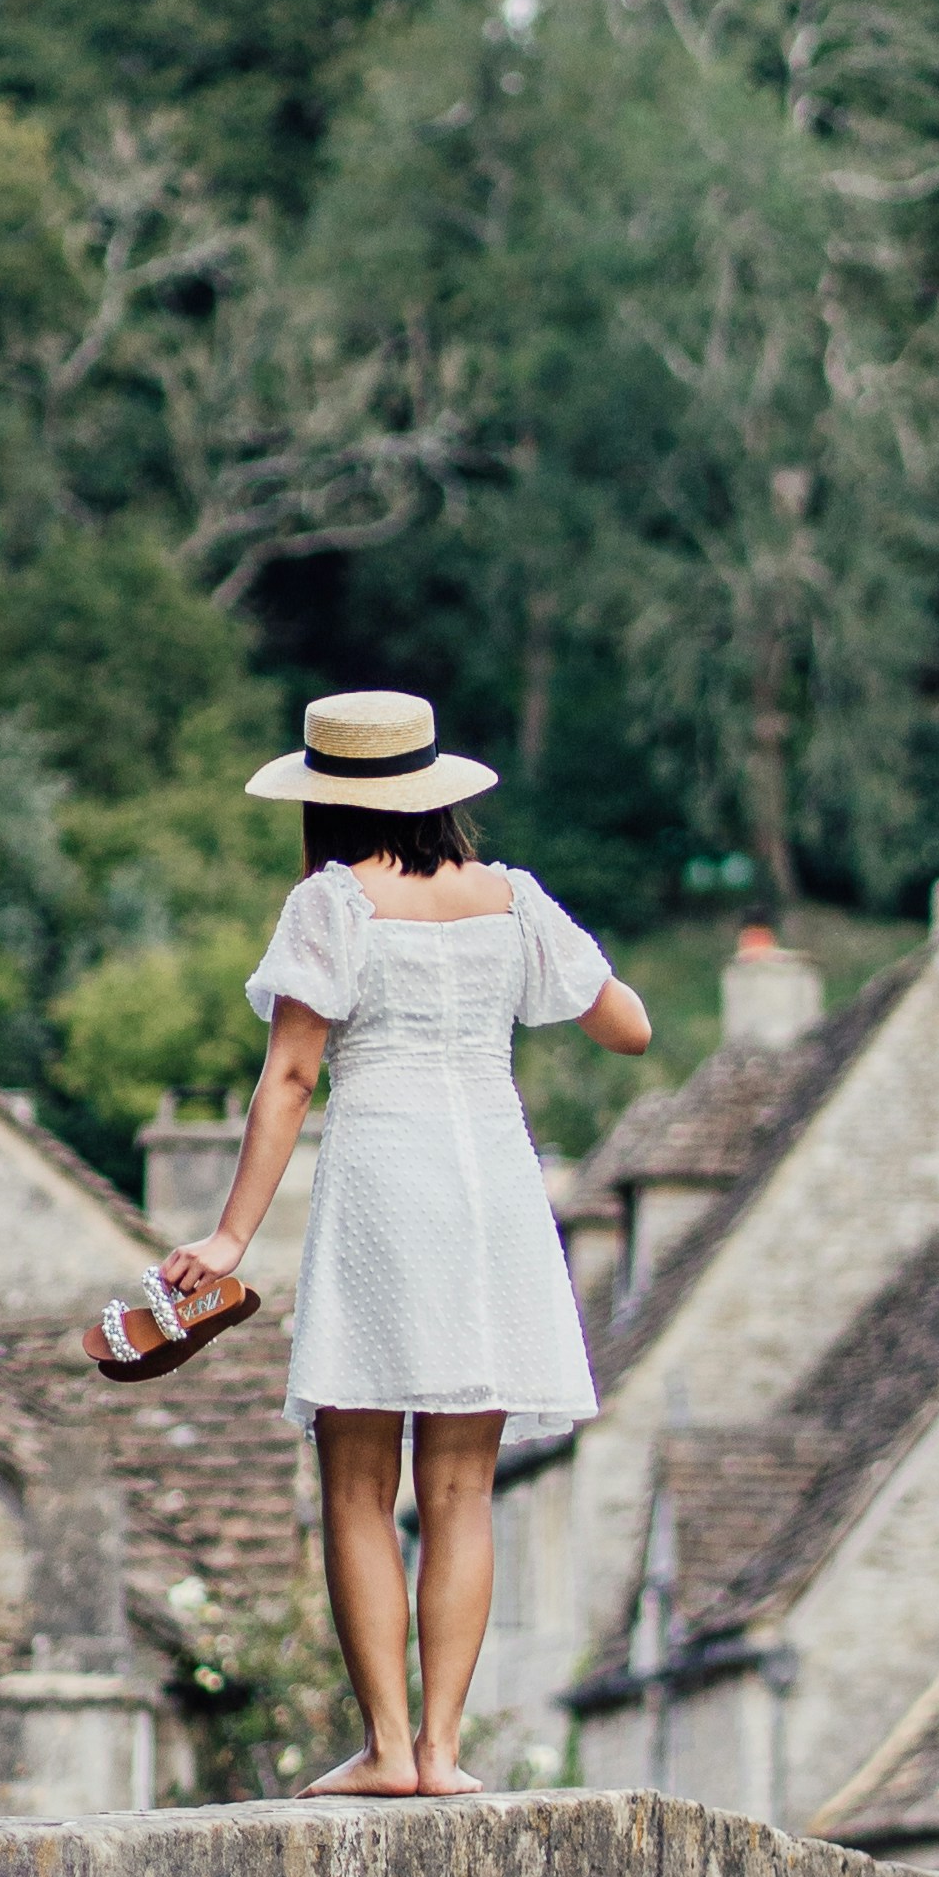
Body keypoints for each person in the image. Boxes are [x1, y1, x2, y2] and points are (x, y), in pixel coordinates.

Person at [164, 685, 653, 1800]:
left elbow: (291, 1075)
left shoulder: (332, 904)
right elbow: (627, 1027)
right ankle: (442, 1751)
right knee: (460, 1491)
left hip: (385, 1178)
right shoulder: (511, 897)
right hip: (493, 1186)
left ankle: (385, 1749)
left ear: (327, 803)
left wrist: (234, 1234)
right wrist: (559, 953)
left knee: (355, 1484)